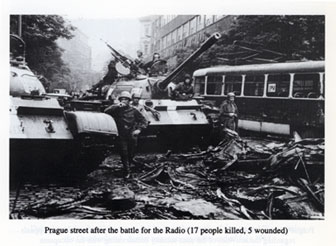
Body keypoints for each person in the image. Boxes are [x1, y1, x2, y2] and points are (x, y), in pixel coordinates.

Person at [104, 91, 148, 178]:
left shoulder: (134, 110)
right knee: (124, 153)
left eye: (126, 99)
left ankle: (130, 165)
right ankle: (127, 171)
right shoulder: (116, 109)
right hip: (121, 135)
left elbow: (144, 121)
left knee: (131, 153)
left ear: (129, 101)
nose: (124, 101)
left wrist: (139, 129)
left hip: (131, 134)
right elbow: (106, 111)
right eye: (122, 99)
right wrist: (116, 106)